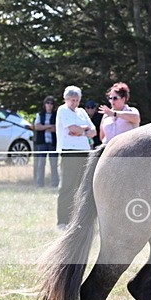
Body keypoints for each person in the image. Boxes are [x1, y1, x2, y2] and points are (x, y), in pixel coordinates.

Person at [56, 85, 96, 230]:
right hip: (69, 151)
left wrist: (82, 132)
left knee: (82, 186)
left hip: (84, 151)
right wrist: (82, 130)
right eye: (71, 100)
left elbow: (93, 131)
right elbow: (73, 129)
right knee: (67, 186)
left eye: (77, 100)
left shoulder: (82, 112)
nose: (74, 103)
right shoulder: (63, 110)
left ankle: (77, 219)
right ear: (66, 99)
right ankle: (63, 220)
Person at [32, 96, 59, 188]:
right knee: (40, 164)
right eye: (48, 103)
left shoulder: (56, 115)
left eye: (51, 103)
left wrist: (44, 126)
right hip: (42, 143)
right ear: (44, 104)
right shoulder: (40, 115)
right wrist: (49, 127)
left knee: (54, 164)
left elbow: (57, 128)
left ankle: (55, 184)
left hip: (53, 143)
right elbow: (37, 126)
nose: (49, 105)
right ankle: (39, 184)